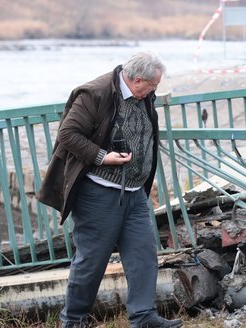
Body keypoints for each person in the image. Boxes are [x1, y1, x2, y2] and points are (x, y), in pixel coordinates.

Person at [37, 51, 183, 328]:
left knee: (143, 254)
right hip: (98, 193)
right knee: (92, 261)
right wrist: (102, 156)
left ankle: (143, 317)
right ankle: (73, 321)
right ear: (137, 79)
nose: (154, 91)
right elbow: (67, 134)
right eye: (152, 86)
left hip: (134, 192)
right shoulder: (96, 93)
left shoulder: (142, 94)